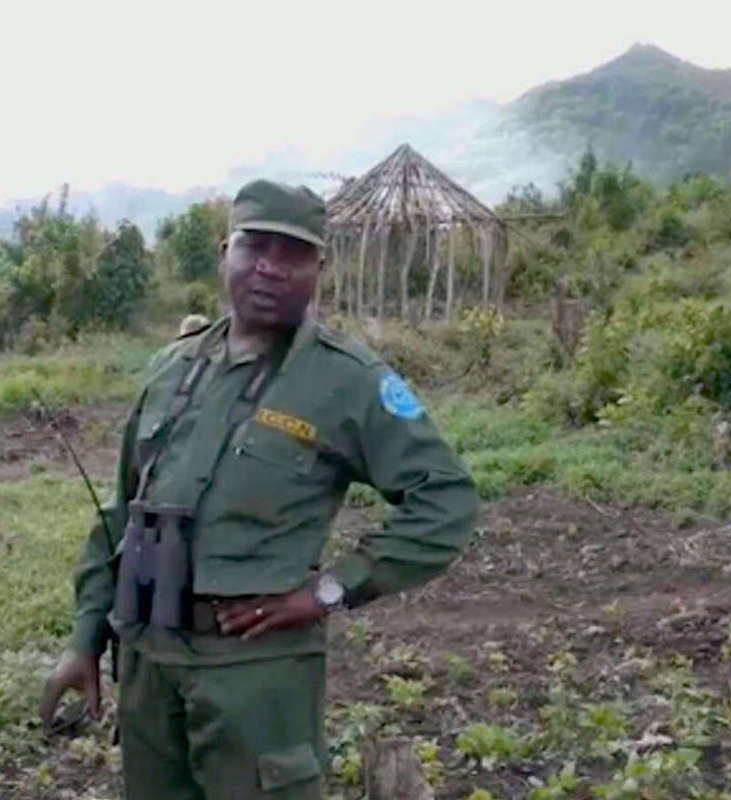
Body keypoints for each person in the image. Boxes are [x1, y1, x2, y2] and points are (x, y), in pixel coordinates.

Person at [39, 179, 479, 799]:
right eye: (255, 246)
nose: (271, 267)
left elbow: (447, 500)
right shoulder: (173, 368)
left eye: (293, 253)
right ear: (226, 253)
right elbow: (122, 511)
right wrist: (87, 638)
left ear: (320, 267)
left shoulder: (347, 381)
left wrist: (328, 590)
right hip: (147, 668)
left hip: (254, 676)